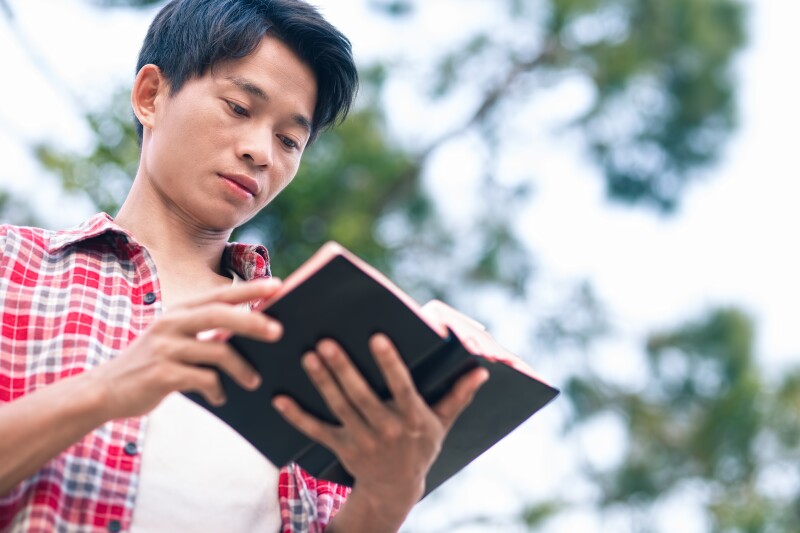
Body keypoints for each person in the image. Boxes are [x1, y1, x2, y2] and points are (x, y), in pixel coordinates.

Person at [0, 0, 490, 531]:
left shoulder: (311, 344)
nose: (262, 152)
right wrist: (105, 390)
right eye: (238, 107)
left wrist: (389, 494)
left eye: (289, 140)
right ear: (151, 95)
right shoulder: (14, 266)